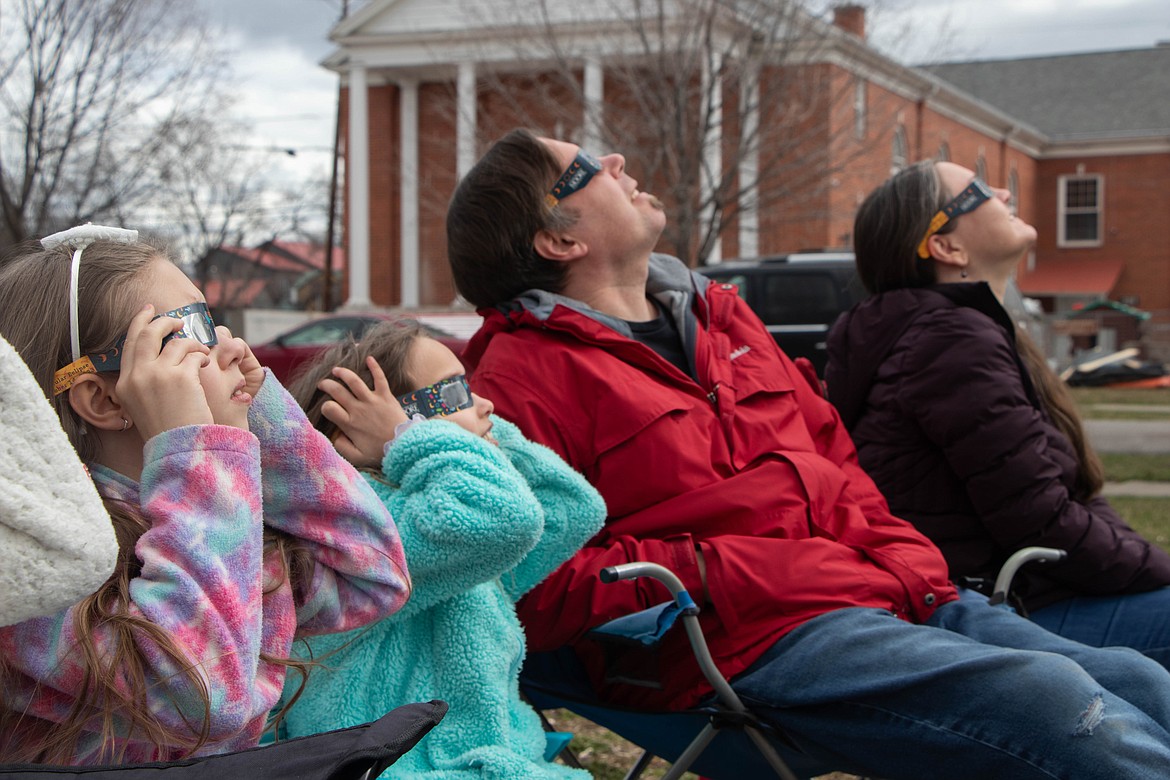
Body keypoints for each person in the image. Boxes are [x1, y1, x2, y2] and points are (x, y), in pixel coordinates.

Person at [444, 128, 1170, 779]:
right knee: (1062, 706)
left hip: (885, 591)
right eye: (583, 171)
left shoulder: (723, 318)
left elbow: (835, 461)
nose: (616, 160)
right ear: (559, 241)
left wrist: (908, 562)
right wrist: (724, 571)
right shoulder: (516, 378)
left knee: (1137, 682)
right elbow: (531, 584)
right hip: (745, 642)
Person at [0, 227, 410, 765]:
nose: (233, 348)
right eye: (188, 332)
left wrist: (257, 412)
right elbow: (204, 691)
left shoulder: (225, 530)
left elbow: (373, 574)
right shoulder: (31, 570)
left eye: (215, 325)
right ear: (103, 397)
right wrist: (198, 450)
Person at [825, 160, 1170, 667]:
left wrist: (1146, 561)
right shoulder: (949, 341)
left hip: (1014, 596)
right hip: (993, 616)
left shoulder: (951, 330)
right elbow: (1041, 522)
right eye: (980, 191)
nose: (1005, 193)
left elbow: (1073, 498)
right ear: (947, 247)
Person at [280, 321, 605, 778]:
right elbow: (511, 516)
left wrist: (476, 427)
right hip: (404, 766)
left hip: (479, 757)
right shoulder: (363, 529)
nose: (486, 404)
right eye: (454, 391)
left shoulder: (451, 532)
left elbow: (572, 508)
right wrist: (412, 435)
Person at [0, 333, 119, 627]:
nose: (232, 344)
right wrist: (206, 453)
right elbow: (195, 666)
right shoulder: (51, 571)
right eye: (177, 335)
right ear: (101, 398)